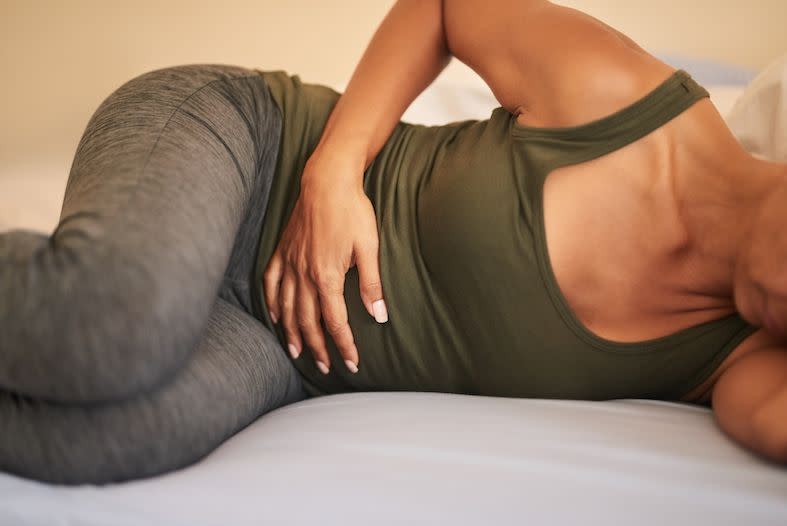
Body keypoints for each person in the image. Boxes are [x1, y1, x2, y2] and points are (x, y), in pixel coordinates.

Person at [0, 0, 785, 485]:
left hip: (280, 344)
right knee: (116, 321)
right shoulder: (634, 104)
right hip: (255, 154)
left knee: (103, 439)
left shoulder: (741, 358)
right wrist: (333, 175)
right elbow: (444, 6)